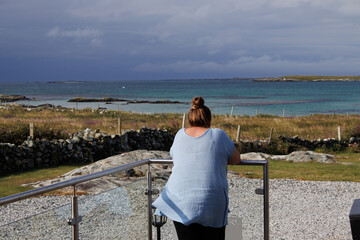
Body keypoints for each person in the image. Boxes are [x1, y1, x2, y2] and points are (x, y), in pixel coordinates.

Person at [152, 96, 241, 240]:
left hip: (179, 200)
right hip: (212, 201)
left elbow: (175, 157)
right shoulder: (218, 135)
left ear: (190, 120)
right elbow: (236, 159)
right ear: (209, 120)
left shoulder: (180, 135)